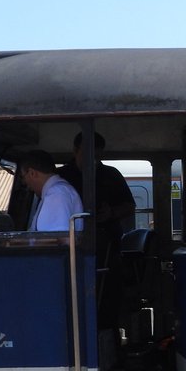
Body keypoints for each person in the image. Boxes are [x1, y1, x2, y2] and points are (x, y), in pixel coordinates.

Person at [59, 132, 135, 328]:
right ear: (75, 151)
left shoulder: (111, 174)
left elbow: (129, 205)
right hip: (71, 252)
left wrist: (111, 213)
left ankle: (108, 344)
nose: (92, 159)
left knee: (108, 303)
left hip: (108, 250)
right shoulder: (62, 177)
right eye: (87, 153)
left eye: (97, 154)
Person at [19, 150, 83, 232]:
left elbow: (54, 240)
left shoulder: (57, 193)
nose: (25, 184)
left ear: (32, 173)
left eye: (23, 177)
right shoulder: (55, 192)